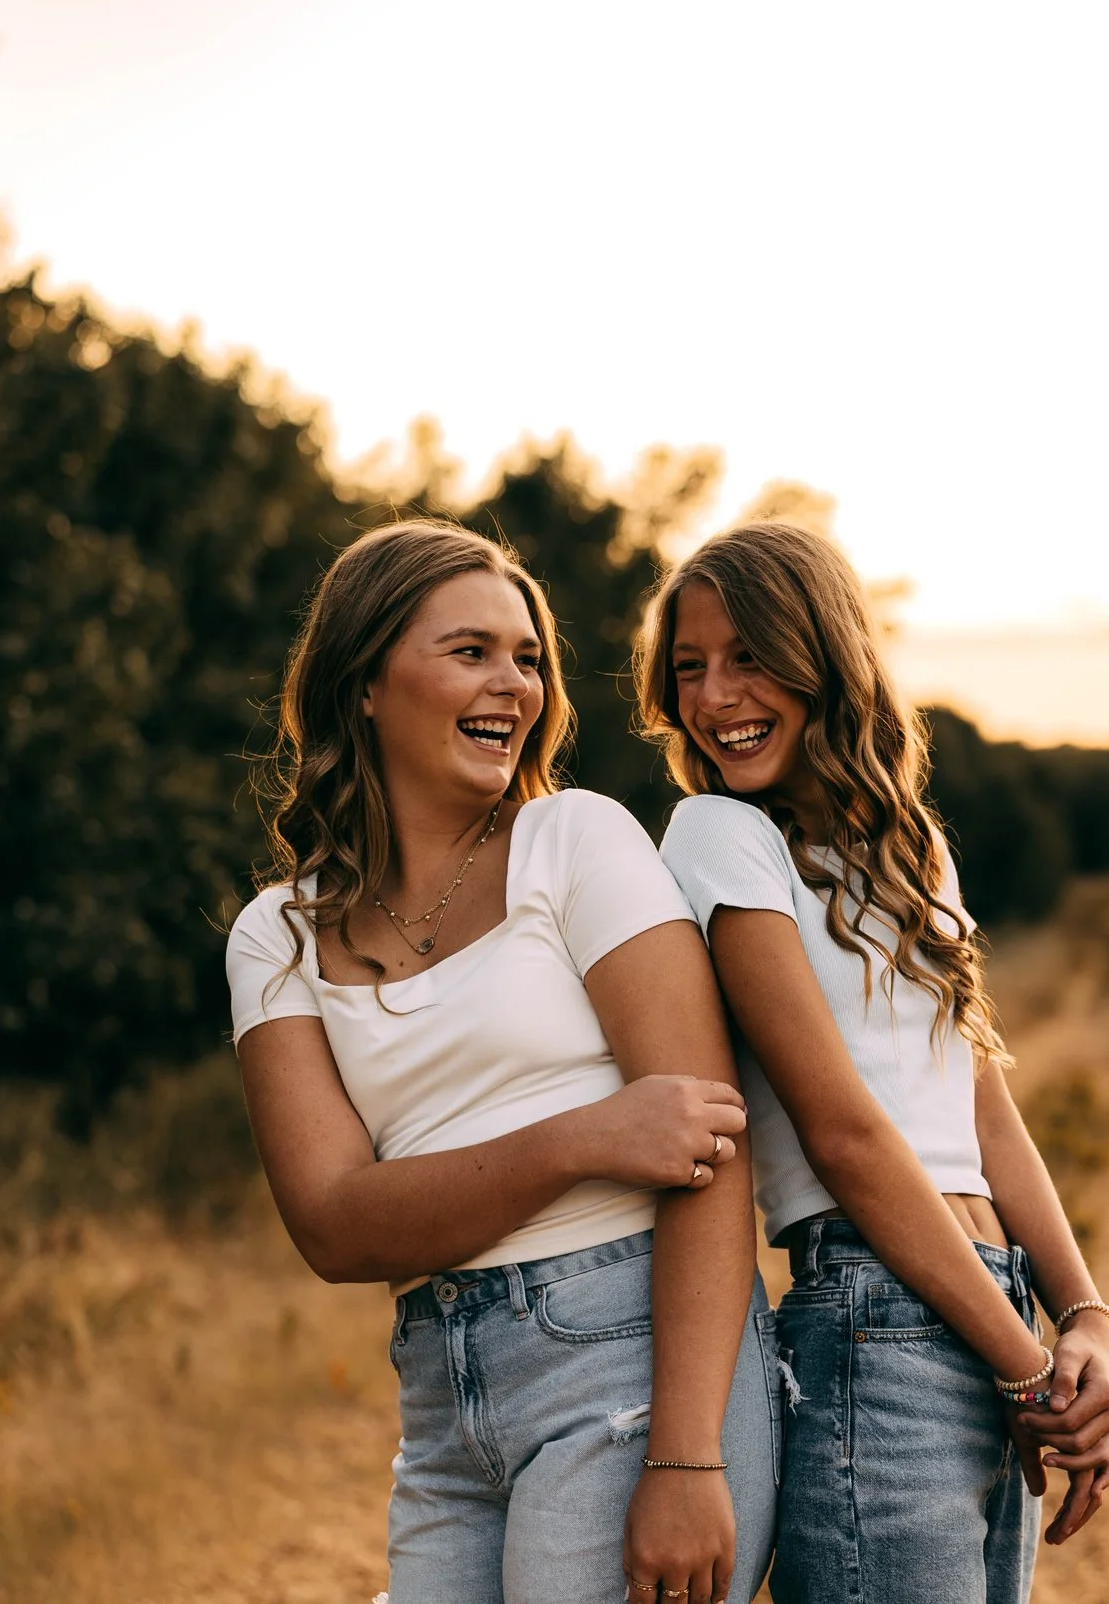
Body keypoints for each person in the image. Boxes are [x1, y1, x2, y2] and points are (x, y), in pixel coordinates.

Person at [225, 520, 779, 1604]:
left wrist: (684, 1454)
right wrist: (581, 1137)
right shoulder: (273, 935)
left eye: (528, 657)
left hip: (629, 1358)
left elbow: (707, 1147)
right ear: (366, 682)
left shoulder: (577, 839)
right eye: (470, 650)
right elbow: (333, 1224)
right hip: (443, 1394)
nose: (515, 684)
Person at [634, 520, 1109, 1604]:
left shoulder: (912, 849)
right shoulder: (717, 836)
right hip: (874, 1319)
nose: (715, 696)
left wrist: (1083, 1315)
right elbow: (844, 1134)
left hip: (983, 1305)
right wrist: (1029, 1367)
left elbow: (982, 1104)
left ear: (823, 655)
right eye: (689, 668)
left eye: (749, 655)